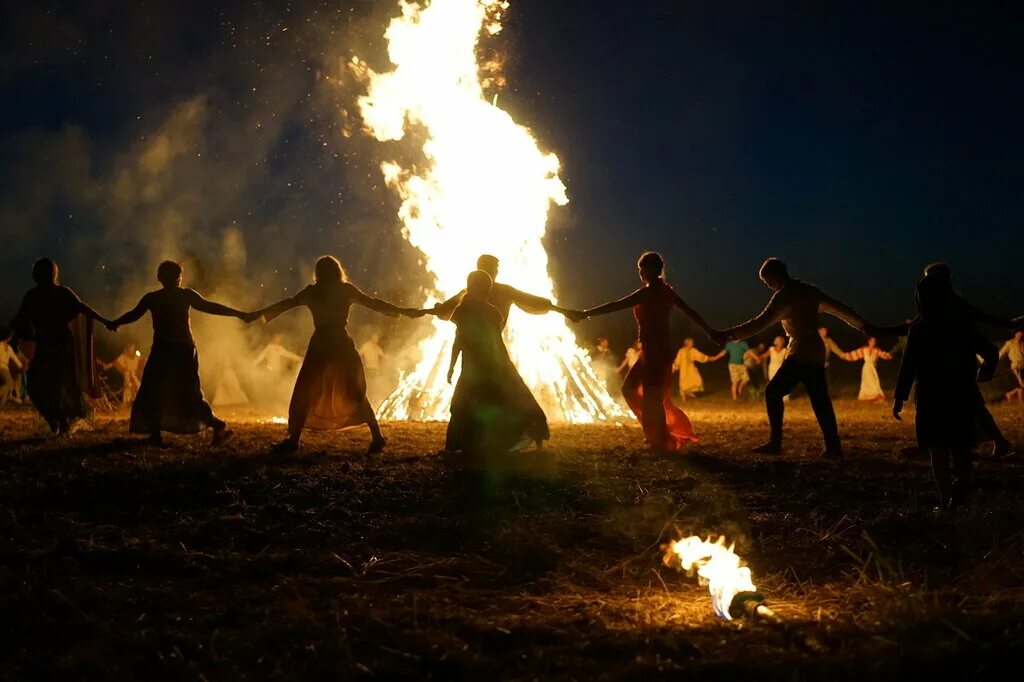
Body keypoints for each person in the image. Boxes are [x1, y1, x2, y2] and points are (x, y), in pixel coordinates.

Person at [257, 255, 423, 455]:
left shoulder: (315, 291)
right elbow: (373, 303)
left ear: (318, 273)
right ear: (337, 271)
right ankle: (376, 437)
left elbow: (287, 303)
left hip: (321, 344)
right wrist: (402, 311)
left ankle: (294, 441)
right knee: (354, 391)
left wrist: (261, 315)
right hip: (339, 344)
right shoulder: (344, 290)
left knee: (307, 389)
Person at [714, 258, 869, 458]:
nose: (767, 285)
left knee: (773, 392)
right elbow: (841, 309)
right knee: (819, 398)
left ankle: (776, 442)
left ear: (775, 276)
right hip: (815, 349)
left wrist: (727, 335)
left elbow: (759, 323)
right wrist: (864, 325)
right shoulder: (809, 290)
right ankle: (833, 446)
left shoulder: (784, 296)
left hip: (801, 350)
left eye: (767, 281)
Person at [575, 252, 716, 451]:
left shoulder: (652, 291)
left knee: (651, 397)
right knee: (633, 390)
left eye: (642, 269)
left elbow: (616, 305)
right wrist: (710, 330)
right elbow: (689, 311)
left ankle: (658, 440)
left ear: (650, 270)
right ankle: (656, 433)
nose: (640, 273)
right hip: (651, 349)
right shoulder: (664, 291)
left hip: (657, 350)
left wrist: (585, 314)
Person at [873, 263, 1017, 457]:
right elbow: (916, 327)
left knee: (963, 407)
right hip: (959, 368)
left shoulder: (953, 306)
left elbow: (980, 325)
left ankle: (940, 448)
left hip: (954, 369)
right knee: (972, 405)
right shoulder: (948, 305)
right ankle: (995, 443)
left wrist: (1007, 326)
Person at [108, 260, 255, 445]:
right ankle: (161, 434)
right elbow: (210, 307)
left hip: (170, 349)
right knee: (175, 392)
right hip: (177, 349)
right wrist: (240, 314)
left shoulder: (154, 298)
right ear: (179, 278)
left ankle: (214, 426)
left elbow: (133, 314)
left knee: (159, 390)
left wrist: (115, 323)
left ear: (160, 278)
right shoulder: (179, 296)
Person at [894, 275, 997, 510]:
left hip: (932, 395)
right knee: (958, 445)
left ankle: (947, 499)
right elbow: (990, 351)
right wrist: (986, 371)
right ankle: (955, 494)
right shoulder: (959, 323)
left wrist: (900, 396)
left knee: (938, 448)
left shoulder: (920, 327)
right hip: (958, 392)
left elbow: (908, 364)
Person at [444, 270, 549, 454]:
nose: (487, 291)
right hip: (475, 368)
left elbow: (472, 341)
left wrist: (454, 365)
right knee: (464, 406)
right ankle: (469, 445)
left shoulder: (472, 311)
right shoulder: (471, 310)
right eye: (486, 288)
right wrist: (452, 366)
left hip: (481, 368)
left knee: (467, 406)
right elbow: (460, 339)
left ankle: (477, 445)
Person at [10, 258, 110, 435]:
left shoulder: (62, 293)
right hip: (45, 342)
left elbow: (82, 308)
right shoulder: (33, 295)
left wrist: (105, 321)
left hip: (61, 343)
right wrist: (13, 337)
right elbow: (21, 317)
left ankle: (62, 422)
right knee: (36, 385)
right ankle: (55, 420)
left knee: (62, 385)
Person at [431, 254, 576, 328]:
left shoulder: (466, 293)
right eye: (494, 268)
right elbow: (534, 302)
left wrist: (435, 309)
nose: (496, 271)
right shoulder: (504, 291)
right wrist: (564, 311)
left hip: (474, 356)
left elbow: (444, 311)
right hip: (492, 354)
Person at [843, 337, 893, 401]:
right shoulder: (864, 349)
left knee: (874, 380)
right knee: (866, 381)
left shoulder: (877, 350)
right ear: (869, 341)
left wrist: (890, 355)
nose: (872, 342)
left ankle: (875, 394)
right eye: (871, 341)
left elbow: (884, 355)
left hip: (872, 367)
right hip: (866, 367)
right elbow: (855, 354)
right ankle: (866, 395)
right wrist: (844, 356)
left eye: (874, 341)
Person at [998, 330, 1024, 404]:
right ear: (1015, 334)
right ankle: (1021, 403)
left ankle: (1010, 394)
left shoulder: (1022, 343)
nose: (1019, 336)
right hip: (1016, 366)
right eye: (1018, 334)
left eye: (1021, 335)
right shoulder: (1010, 343)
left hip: (1023, 366)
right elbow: (1002, 352)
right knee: (1021, 384)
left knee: (1020, 385)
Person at [0, 329, 24, 407]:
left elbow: (14, 357)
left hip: (4, 368)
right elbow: (14, 358)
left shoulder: (9, 347)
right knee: (9, 383)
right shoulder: (1, 345)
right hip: (2, 368)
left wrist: (21, 366)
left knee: (6, 392)